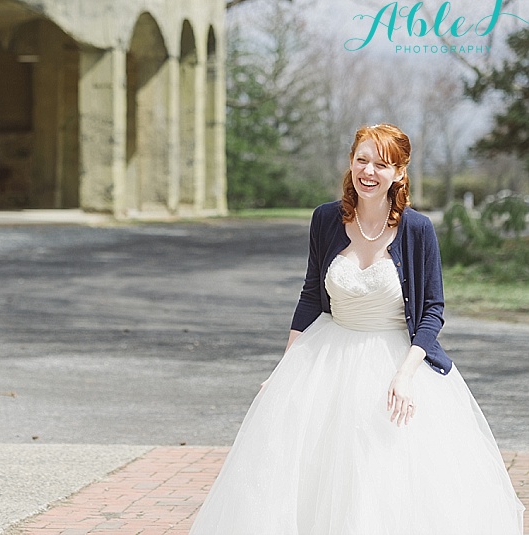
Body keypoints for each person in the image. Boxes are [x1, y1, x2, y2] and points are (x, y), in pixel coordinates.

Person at [189, 124, 524, 534]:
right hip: (327, 355)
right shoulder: (326, 219)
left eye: (381, 164)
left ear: (399, 173)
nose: (368, 171)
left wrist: (405, 374)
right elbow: (311, 296)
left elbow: (432, 311)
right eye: (361, 160)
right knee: (315, 468)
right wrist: (284, 367)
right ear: (351, 162)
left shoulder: (417, 229)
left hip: (397, 357)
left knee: (382, 469)